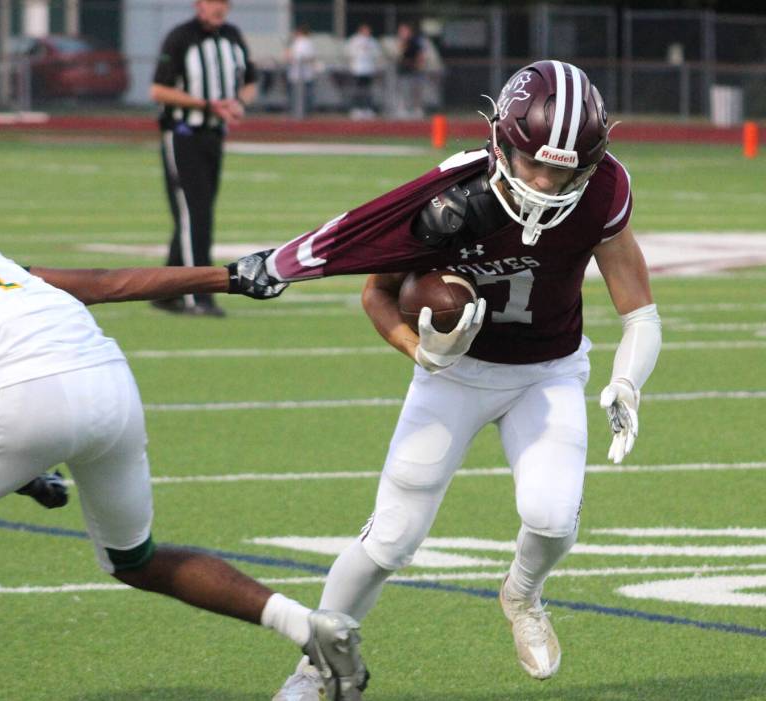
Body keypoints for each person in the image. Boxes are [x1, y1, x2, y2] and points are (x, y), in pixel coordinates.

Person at [0, 185, 369, 701]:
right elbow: (105, 284)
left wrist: (18, 465)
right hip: (110, 385)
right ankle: (308, 627)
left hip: (22, 392)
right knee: (133, 559)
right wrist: (227, 276)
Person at [226, 61, 661, 699]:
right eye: (534, 163)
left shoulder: (602, 191)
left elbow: (640, 312)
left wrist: (628, 382)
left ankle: (522, 594)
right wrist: (417, 349)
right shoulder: (448, 200)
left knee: (552, 517)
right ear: (500, 142)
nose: (545, 183)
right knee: (392, 538)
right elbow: (376, 293)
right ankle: (316, 668)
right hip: (456, 373)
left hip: (547, 370)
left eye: (563, 169)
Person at [149, 0, 259, 317]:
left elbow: (251, 79)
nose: (219, 8)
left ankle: (165, 292)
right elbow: (158, 90)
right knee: (195, 215)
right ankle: (196, 294)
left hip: (214, 136)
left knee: (197, 213)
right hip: (183, 135)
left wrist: (238, 102)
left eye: (224, 3)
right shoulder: (180, 37)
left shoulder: (233, 36)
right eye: (213, 2)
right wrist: (206, 105)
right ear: (199, 5)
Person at [344, 23, 381, 120]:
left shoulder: (372, 41)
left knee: (368, 90)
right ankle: (356, 108)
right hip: (358, 69)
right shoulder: (354, 40)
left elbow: (377, 54)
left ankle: (367, 108)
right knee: (357, 90)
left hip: (369, 69)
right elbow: (348, 53)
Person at [394, 22, 425, 119]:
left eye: (403, 31)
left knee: (414, 91)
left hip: (413, 70)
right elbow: (399, 55)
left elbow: (420, 54)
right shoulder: (400, 42)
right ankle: (403, 109)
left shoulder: (415, 41)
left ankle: (416, 109)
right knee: (403, 91)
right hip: (403, 70)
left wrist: (419, 65)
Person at [285, 25, 317, 118]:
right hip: (302, 74)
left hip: (301, 74)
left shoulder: (302, 42)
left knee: (300, 96)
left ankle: (300, 113)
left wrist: (289, 54)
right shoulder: (302, 42)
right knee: (303, 96)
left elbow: (295, 57)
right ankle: (302, 113)